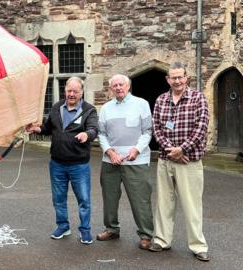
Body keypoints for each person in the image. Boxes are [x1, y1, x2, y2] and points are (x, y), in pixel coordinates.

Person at [149, 62, 210, 262]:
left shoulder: (198, 98)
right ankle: (161, 240)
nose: (177, 81)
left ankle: (198, 245)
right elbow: (156, 128)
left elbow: (201, 128)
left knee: (192, 205)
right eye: (172, 77)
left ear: (186, 78)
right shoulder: (161, 100)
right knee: (164, 203)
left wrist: (182, 149)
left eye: (180, 77)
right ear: (167, 79)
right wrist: (170, 150)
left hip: (189, 161)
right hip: (166, 160)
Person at [26, 76, 98, 244]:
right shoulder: (57, 107)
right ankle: (63, 226)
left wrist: (87, 134)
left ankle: (85, 230)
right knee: (58, 199)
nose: (71, 94)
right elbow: (48, 128)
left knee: (84, 200)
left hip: (79, 165)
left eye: (75, 91)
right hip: (57, 163)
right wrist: (36, 128)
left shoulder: (89, 110)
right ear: (65, 90)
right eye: (69, 90)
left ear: (81, 92)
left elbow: (94, 129)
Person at [97, 74, 153, 250]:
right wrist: (109, 151)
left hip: (136, 161)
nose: (118, 88)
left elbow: (148, 131)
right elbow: (101, 134)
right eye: (115, 85)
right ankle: (111, 229)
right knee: (110, 198)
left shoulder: (141, 104)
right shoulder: (105, 108)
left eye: (121, 84)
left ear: (128, 86)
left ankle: (146, 235)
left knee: (140, 200)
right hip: (110, 161)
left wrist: (136, 149)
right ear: (111, 88)